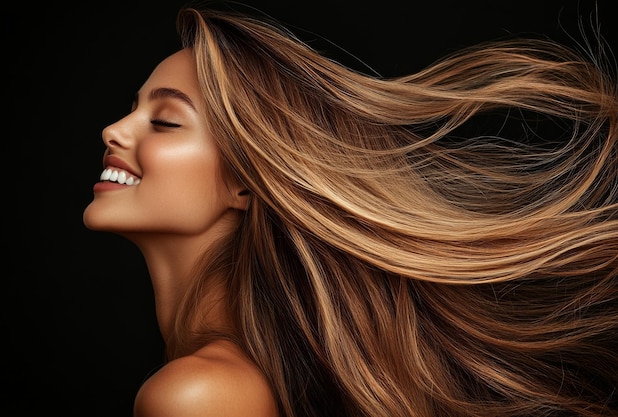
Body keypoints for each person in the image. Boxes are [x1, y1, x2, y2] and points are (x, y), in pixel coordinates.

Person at [83, 2, 618, 416]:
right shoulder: (235, 378)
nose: (114, 129)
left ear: (245, 183)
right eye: (134, 108)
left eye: (165, 121)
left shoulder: (198, 395)